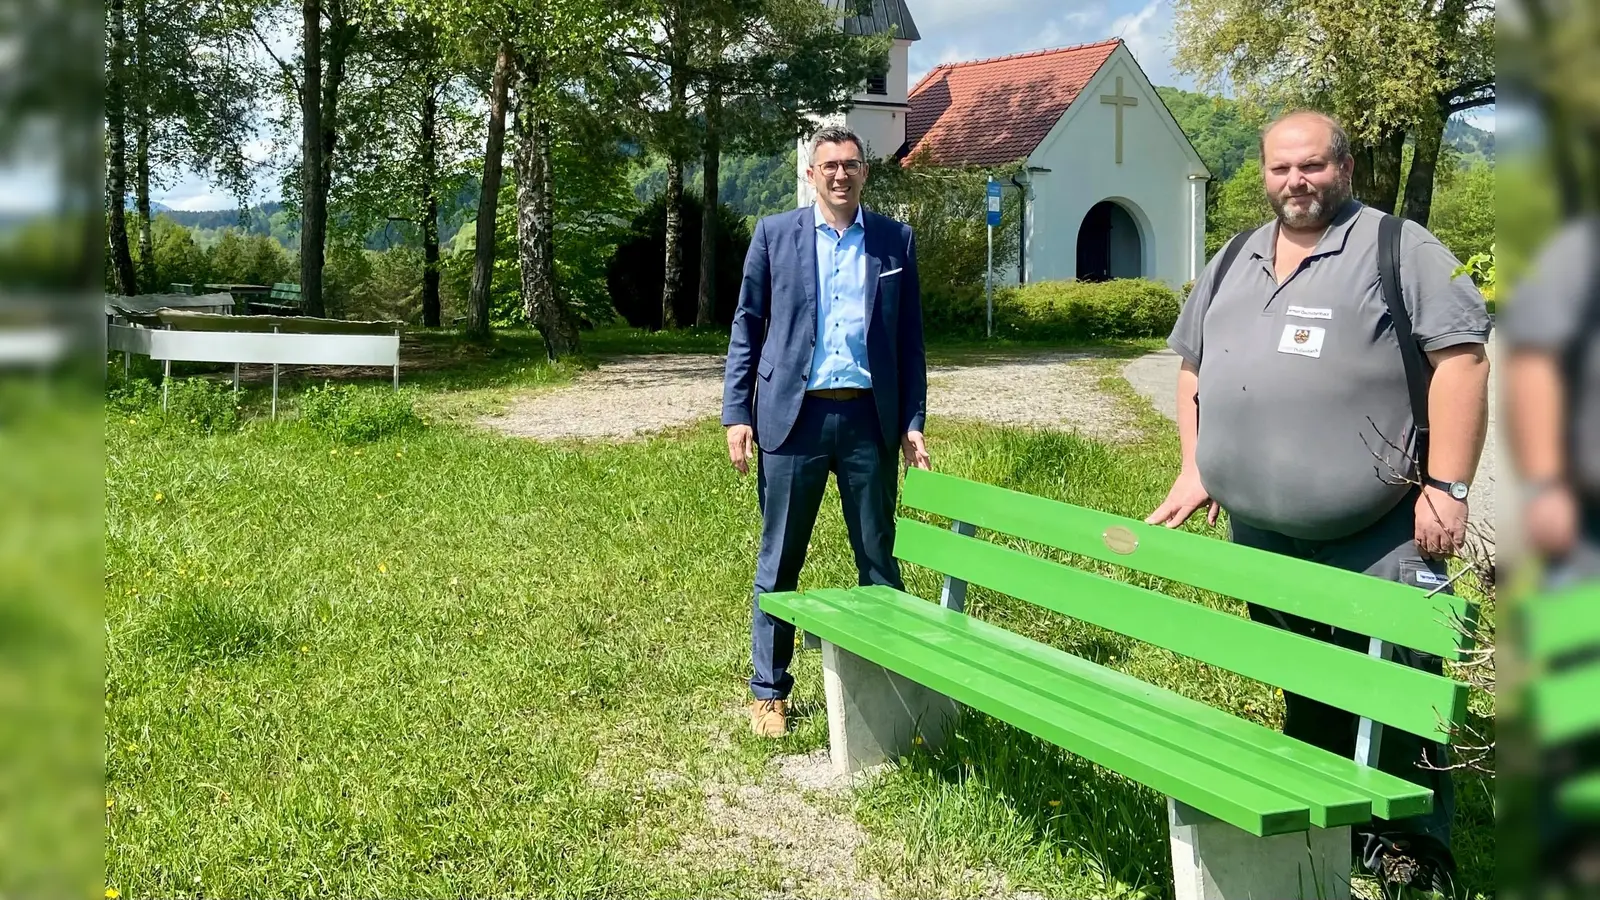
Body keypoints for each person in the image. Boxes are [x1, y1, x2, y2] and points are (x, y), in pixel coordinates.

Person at [1145, 109, 1491, 888]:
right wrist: (1196, 464)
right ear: (1262, 174)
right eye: (1279, 168)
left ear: (1345, 169)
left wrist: (1447, 486)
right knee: (1306, 675)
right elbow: (1195, 366)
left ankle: (1411, 842)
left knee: (1399, 682)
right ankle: (1329, 815)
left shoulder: (1400, 248)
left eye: (1312, 166)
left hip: (1379, 529)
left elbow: (1463, 361)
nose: (1295, 182)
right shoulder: (1234, 254)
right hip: (1262, 532)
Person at [720, 124, 930, 738]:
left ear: (866, 172)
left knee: (879, 556)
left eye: (853, 165)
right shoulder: (775, 236)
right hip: (794, 419)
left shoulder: (895, 241)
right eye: (830, 165)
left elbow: (910, 343)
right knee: (780, 557)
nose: (842, 174)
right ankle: (769, 691)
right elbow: (747, 327)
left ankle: (890, 682)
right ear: (811, 174)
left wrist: (913, 420)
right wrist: (737, 413)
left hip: (869, 420)